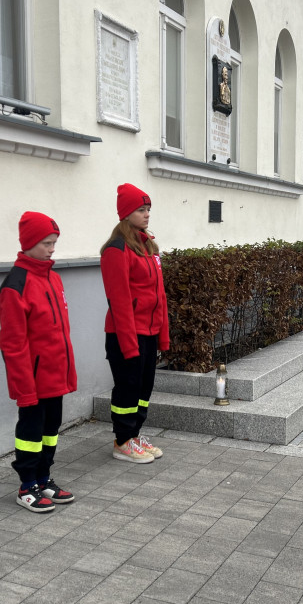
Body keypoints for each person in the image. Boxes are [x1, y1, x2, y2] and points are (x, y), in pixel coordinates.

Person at [0, 212, 78, 513]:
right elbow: (13, 343)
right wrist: (24, 387)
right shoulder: (15, 284)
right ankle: (26, 486)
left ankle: (44, 478)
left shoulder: (53, 278)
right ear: (30, 243)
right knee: (31, 432)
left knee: (51, 429)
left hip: (54, 375)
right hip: (31, 380)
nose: (52, 248)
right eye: (46, 243)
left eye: (54, 242)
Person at [101, 183, 170, 462]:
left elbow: (160, 295)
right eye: (141, 210)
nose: (147, 214)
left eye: (148, 209)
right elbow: (119, 302)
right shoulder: (116, 249)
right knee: (127, 389)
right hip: (126, 335)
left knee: (143, 391)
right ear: (126, 213)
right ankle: (122, 441)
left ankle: (135, 435)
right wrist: (130, 345)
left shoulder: (149, 246)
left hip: (149, 332)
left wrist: (162, 335)